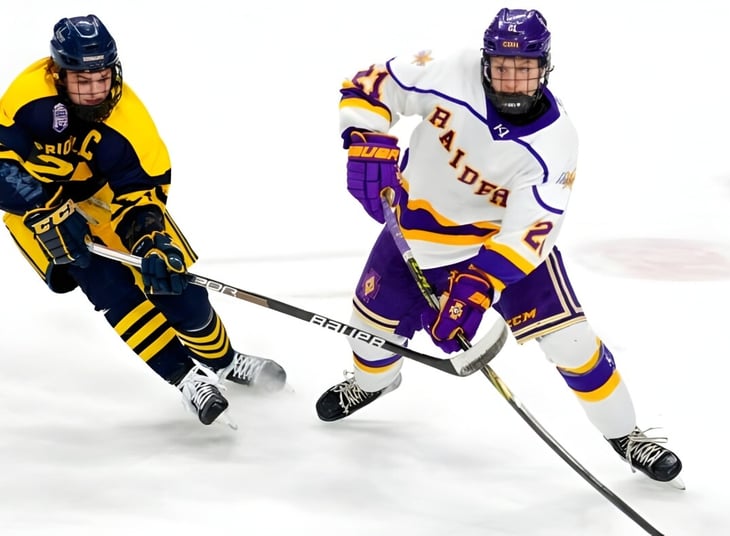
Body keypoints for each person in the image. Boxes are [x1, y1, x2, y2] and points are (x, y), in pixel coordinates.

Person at [315, 7, 682, 484]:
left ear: (545, 67)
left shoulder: (555, 142)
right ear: (486, 61)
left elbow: (531, 230)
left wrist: (478, 287)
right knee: (366, 337)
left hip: (497, 249)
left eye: (524, 69)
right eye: (501, 67)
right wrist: (366, 136)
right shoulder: (450, 70)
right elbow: (372, 83)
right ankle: (374, 385)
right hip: (414, 235)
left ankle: (626, 434)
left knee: (573, 343)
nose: (511, 80)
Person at [0, 14, 285, 426]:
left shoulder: (131, 124)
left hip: (107, 200)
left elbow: (141, 195)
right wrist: (46, 207)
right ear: (58, 74)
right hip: (36, 209)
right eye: (82, 80)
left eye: (101, 77)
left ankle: (225, 361)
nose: (96, 90)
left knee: (173, 284)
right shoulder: (27, 98)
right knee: (109, 289)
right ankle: (187, 379)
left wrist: (150, 241)